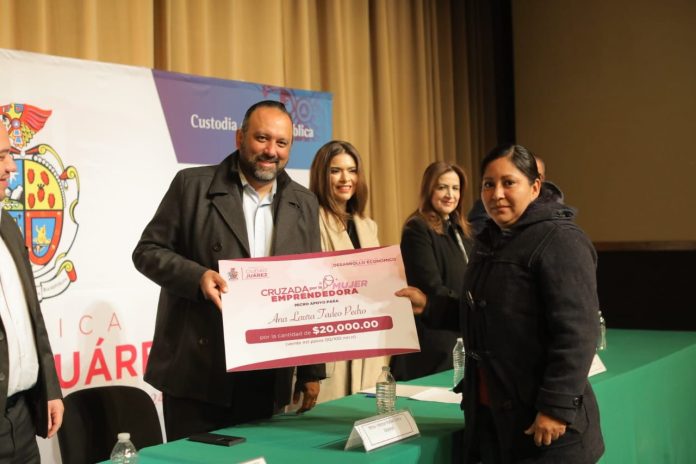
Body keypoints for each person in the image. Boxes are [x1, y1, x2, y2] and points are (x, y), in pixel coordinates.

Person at [132, 100, 325, 441]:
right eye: (262, 138)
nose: (271, 151)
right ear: (239, 138)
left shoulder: (304, 202)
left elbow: (310, 285)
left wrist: (311, 370)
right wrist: (197, 277)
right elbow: (147, 252)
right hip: (198, 374)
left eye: (281, 143)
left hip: (266, 372)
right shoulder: (192, 185)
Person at [398, 144, 604, 463]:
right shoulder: (490, 240)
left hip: (545, 430)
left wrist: (556, 407)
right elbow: (486, 313)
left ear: (535, 186)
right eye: (488, 184)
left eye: (509, 183)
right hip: (492, 419)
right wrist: (430, 306)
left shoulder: (561, 239)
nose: (496, 194)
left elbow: (578, 333)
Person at [0, 127, 63, 463]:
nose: (12, 166)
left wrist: (49, 388)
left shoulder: (8, 224)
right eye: (1, 157)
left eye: (10, 155)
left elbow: (31, 316)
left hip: (22, 420)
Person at [308, 140, 386, 402]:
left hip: (368, 352)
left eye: (352, 171)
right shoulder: (310, 221)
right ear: (322, 175)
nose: (346, 179)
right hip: (330, 350)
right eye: (335, 171)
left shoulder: (368, 226)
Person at [389, 161, 473, 381]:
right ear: (429, 189)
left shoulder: (463, 231)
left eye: (455, 188)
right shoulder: (417, 228)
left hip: (463, 336)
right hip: (434, 344)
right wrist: (470, 310)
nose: (450, 195)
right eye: (442, 187)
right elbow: (431, 287)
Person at [468, 154, 563, 235]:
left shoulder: (557, 226)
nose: (498, 195)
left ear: (537, 185)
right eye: (489, 184)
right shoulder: (487, 206)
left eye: (509, 182)